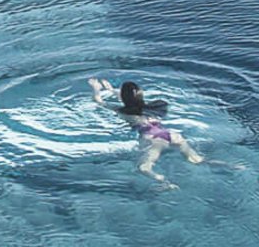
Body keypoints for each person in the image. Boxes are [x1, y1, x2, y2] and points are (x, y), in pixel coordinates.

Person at [90, 77, 226, 188]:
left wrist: (97, 89)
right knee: (197, 160)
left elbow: (99, 101)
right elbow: (131, 100)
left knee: (143, 168)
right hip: (172, 135)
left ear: (124, 99)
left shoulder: (122, 111)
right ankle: (230, 166)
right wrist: (112, 90)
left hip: (154, 140)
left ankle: (165, 183)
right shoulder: (149, 107)